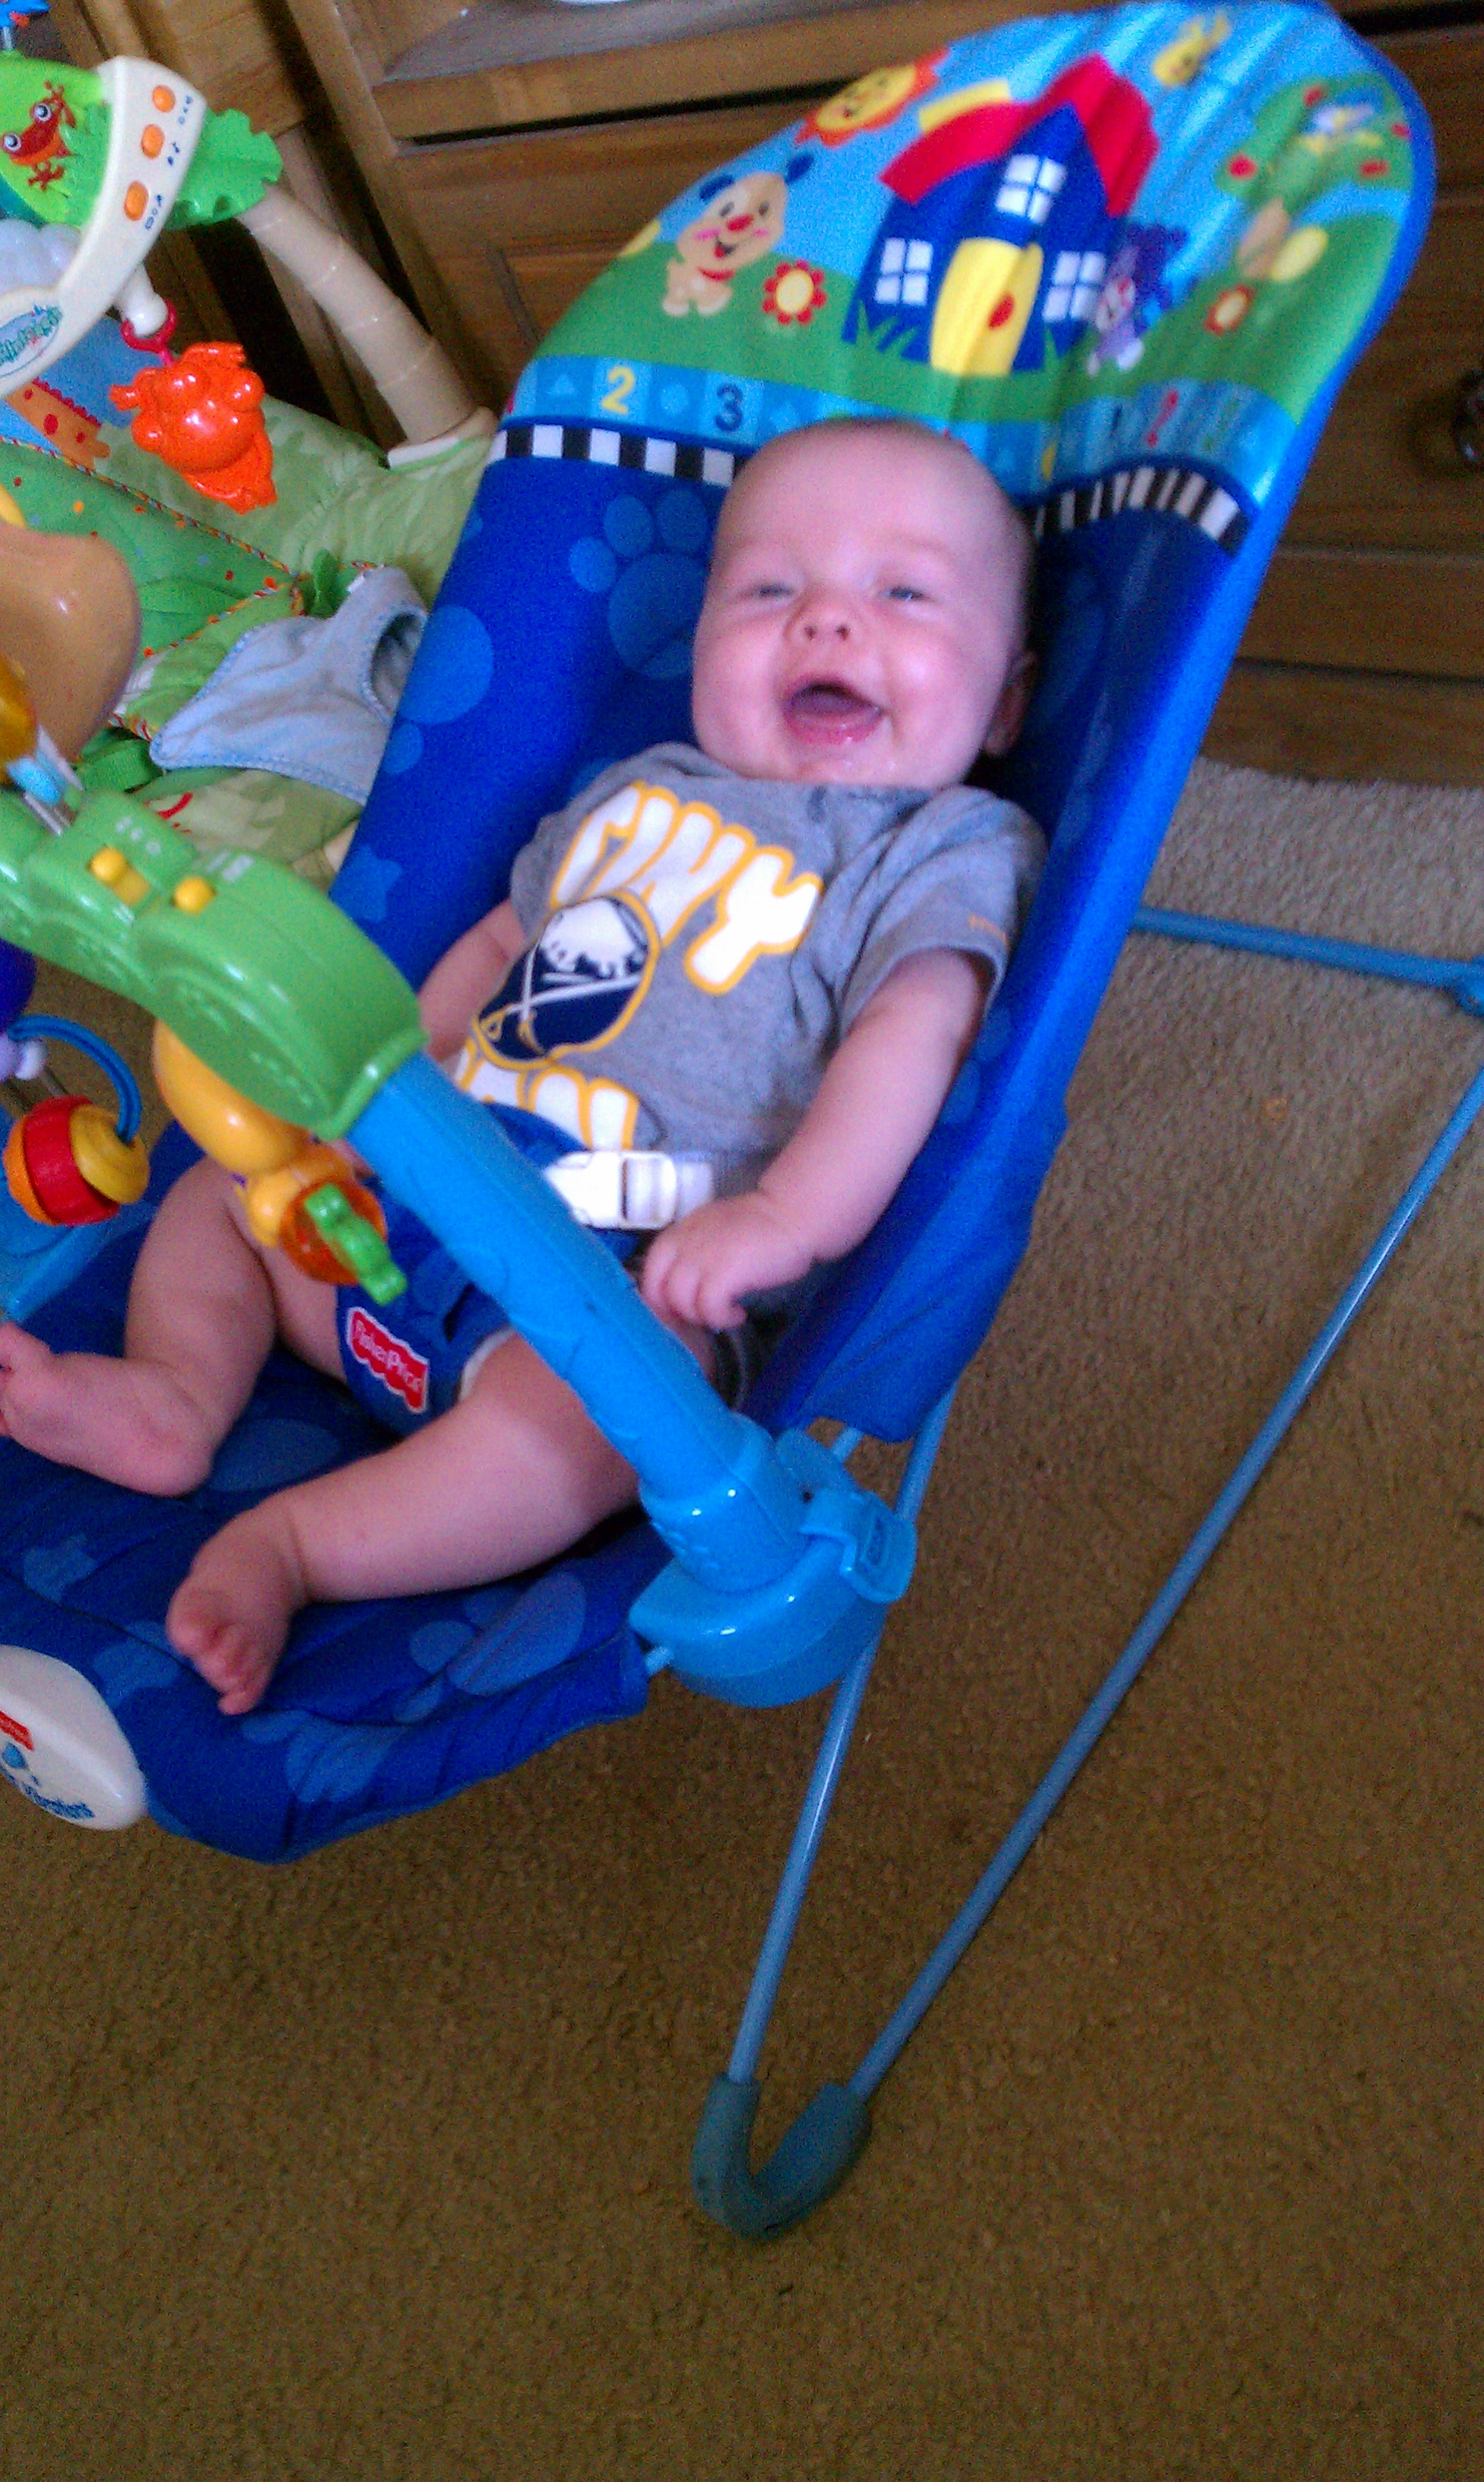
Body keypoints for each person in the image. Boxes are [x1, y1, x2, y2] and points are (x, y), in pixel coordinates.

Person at [0, 417, 1045, 1715]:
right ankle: (172, 1397)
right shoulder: (639, 786)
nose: (826, 621)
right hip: (410, 1199)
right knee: (224, 1189)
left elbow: (914, 1034)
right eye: (769, 588)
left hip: (616, 1272)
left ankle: (298, 1546)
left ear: (1008, 699)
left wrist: (785, 1220)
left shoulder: (941, 847)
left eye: (905, 595)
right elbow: (505, 939)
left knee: (612, 1422)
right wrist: (386, 1088)